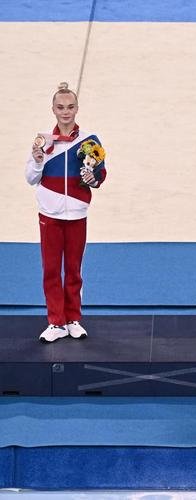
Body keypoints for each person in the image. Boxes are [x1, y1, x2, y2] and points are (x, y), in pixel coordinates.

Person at [25, 82, 107, 343]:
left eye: (70, 107)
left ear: (77, 109)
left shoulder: (89, 141)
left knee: (73, 270)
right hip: (49, 214)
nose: (65, 112)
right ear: (53, 109)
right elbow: (30, 178)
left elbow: (100, 176)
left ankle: (72, 319)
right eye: (60, 107)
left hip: (77, 214)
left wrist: (91, 178)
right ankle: (55, 322)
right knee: (51, 269)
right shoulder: (44, 142)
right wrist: (38, 160)